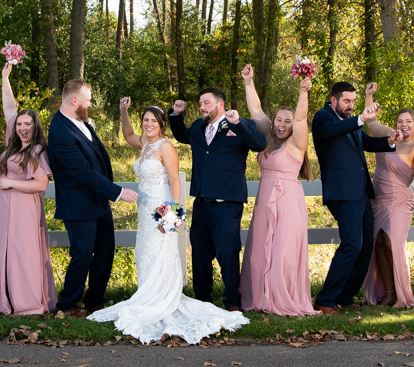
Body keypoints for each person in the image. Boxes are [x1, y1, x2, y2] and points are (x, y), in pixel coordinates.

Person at [90, 106, 249, 343]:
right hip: (144, 211)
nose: (149, 124)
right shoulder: (144, 143)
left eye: (153, 121)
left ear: (162, 124)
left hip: (162, 207)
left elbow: (175, 179)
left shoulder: (165, 146)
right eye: (145, 120)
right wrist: (123, 111)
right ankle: (148, 296)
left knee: (161, 252)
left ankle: (162, 299)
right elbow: (128, 134)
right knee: (146, 253)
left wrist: (172, 215)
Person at [168, 85, 266, 310]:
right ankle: (203, 301)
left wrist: (238, 123)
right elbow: (182, 135)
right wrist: (176, 115)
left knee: (228, 253)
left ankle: (233, 302)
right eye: (200, 104)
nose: (202, 107)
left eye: (206, 103)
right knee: (200, 254)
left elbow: (259, 144)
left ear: (220, 104)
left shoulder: (239, 125)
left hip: (227, 203)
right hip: (202, 201)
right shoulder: (198, 127)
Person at [47, 79, 139, 316]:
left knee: (106, 250)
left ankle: (94, 300)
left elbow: (98, 158)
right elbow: (82, 172)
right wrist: (118, 192)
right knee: (83, 254)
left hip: (98, 200)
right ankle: (68, 304)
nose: (89, 104)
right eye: (87, 100)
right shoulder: (60, 131)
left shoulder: (80, 122)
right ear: (74, 100)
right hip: (78, 203)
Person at [238, 65, 318, 316]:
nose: (282, 124)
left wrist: (303, 92)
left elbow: (302, 118)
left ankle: (282, 297)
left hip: (288, 201)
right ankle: (260, 297)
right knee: (258, 252)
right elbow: (255, 109)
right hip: (265, 199)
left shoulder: (297, 142)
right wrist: (248, 81)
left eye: (287, 121)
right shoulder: (268, 136)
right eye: (279, 120)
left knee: (283, 251)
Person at [311, 81, 395, 313]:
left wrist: (389, 142)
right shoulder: (323, 118)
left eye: (353, 101)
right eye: (346, 101)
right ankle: (325, 299)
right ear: (334, 100)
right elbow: (331, 132)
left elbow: (365, 142)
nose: (350, 105)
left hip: (361, 192)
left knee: (365, 246)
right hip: (341, 192)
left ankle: (345, 295)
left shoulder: (351, 122)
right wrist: (360, 118)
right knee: (352, 244)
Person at [0, 61, 56, 315]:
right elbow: (9, 108)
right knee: (4, 250)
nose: (22, 128)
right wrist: (5, 78)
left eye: (28, 124)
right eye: (20, 124)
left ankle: (26, 302)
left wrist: (11, 182)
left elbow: (41, 184)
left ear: (35, 127)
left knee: (22, 252)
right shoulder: (13, 144)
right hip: (5, 207)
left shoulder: (36, 150)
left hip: (24, 207)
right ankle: (5, 298)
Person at [360, 97, 414, 307]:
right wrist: (369, 95)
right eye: (400, 121)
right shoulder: (388, 135)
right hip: (378, 199)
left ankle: (403, 295)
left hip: (399, 201)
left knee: (394, 245)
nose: (404, 124)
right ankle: (389, 294)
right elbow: (371, 121)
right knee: (379, 244)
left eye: (408, 121)